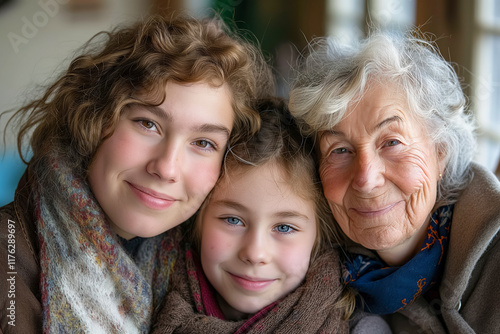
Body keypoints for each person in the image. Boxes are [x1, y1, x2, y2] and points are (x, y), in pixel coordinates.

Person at [0, 13, 274, 333]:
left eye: (203, 143)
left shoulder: (214, 269)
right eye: (148, 124)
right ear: (95, 117)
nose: (166, 168)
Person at [288, 29, 500, 333]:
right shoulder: (305, 264)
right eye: (341, 150)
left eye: (391, 143)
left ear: (440, 152)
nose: (366, 179)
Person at [152, 98, 362, 334]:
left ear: (318, 236)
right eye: (233, 220)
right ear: (198, 219)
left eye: (284, 227)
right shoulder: (149, 294)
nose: (254, 253)